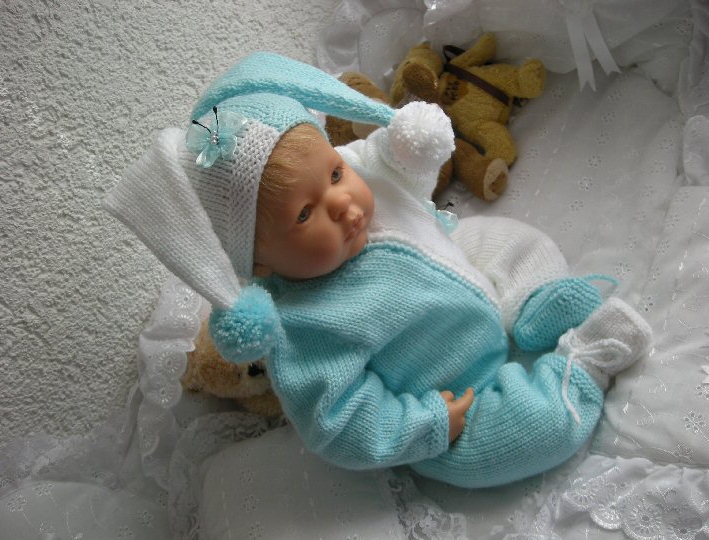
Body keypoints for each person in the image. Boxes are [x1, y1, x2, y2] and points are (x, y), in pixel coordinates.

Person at [104, 52, 652, 488]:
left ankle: (532, 304)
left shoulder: (356, 178)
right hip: (457, 385)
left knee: (514, 240)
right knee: (506, 444)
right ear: (259, 259)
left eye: (335, 174)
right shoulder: (303, 329)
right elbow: (338, 422)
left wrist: (405, 142)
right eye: (304, 214)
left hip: (460, 262)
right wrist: (428, 423)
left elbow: (388, 161)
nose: (344, 205)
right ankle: (584, 363)